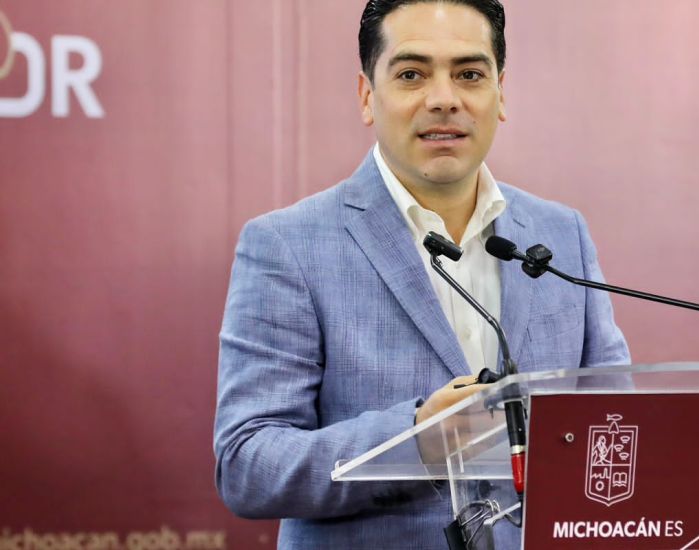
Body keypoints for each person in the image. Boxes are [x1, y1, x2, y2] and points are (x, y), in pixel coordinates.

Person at [212, 0, 630, 547]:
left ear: (500, 93)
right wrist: (418, 440)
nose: (443, 99)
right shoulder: (288, 245)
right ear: (368, 96)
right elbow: (248, 465)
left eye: (469, 74)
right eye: (412, 74)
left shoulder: (561, 234)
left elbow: (619, 421)